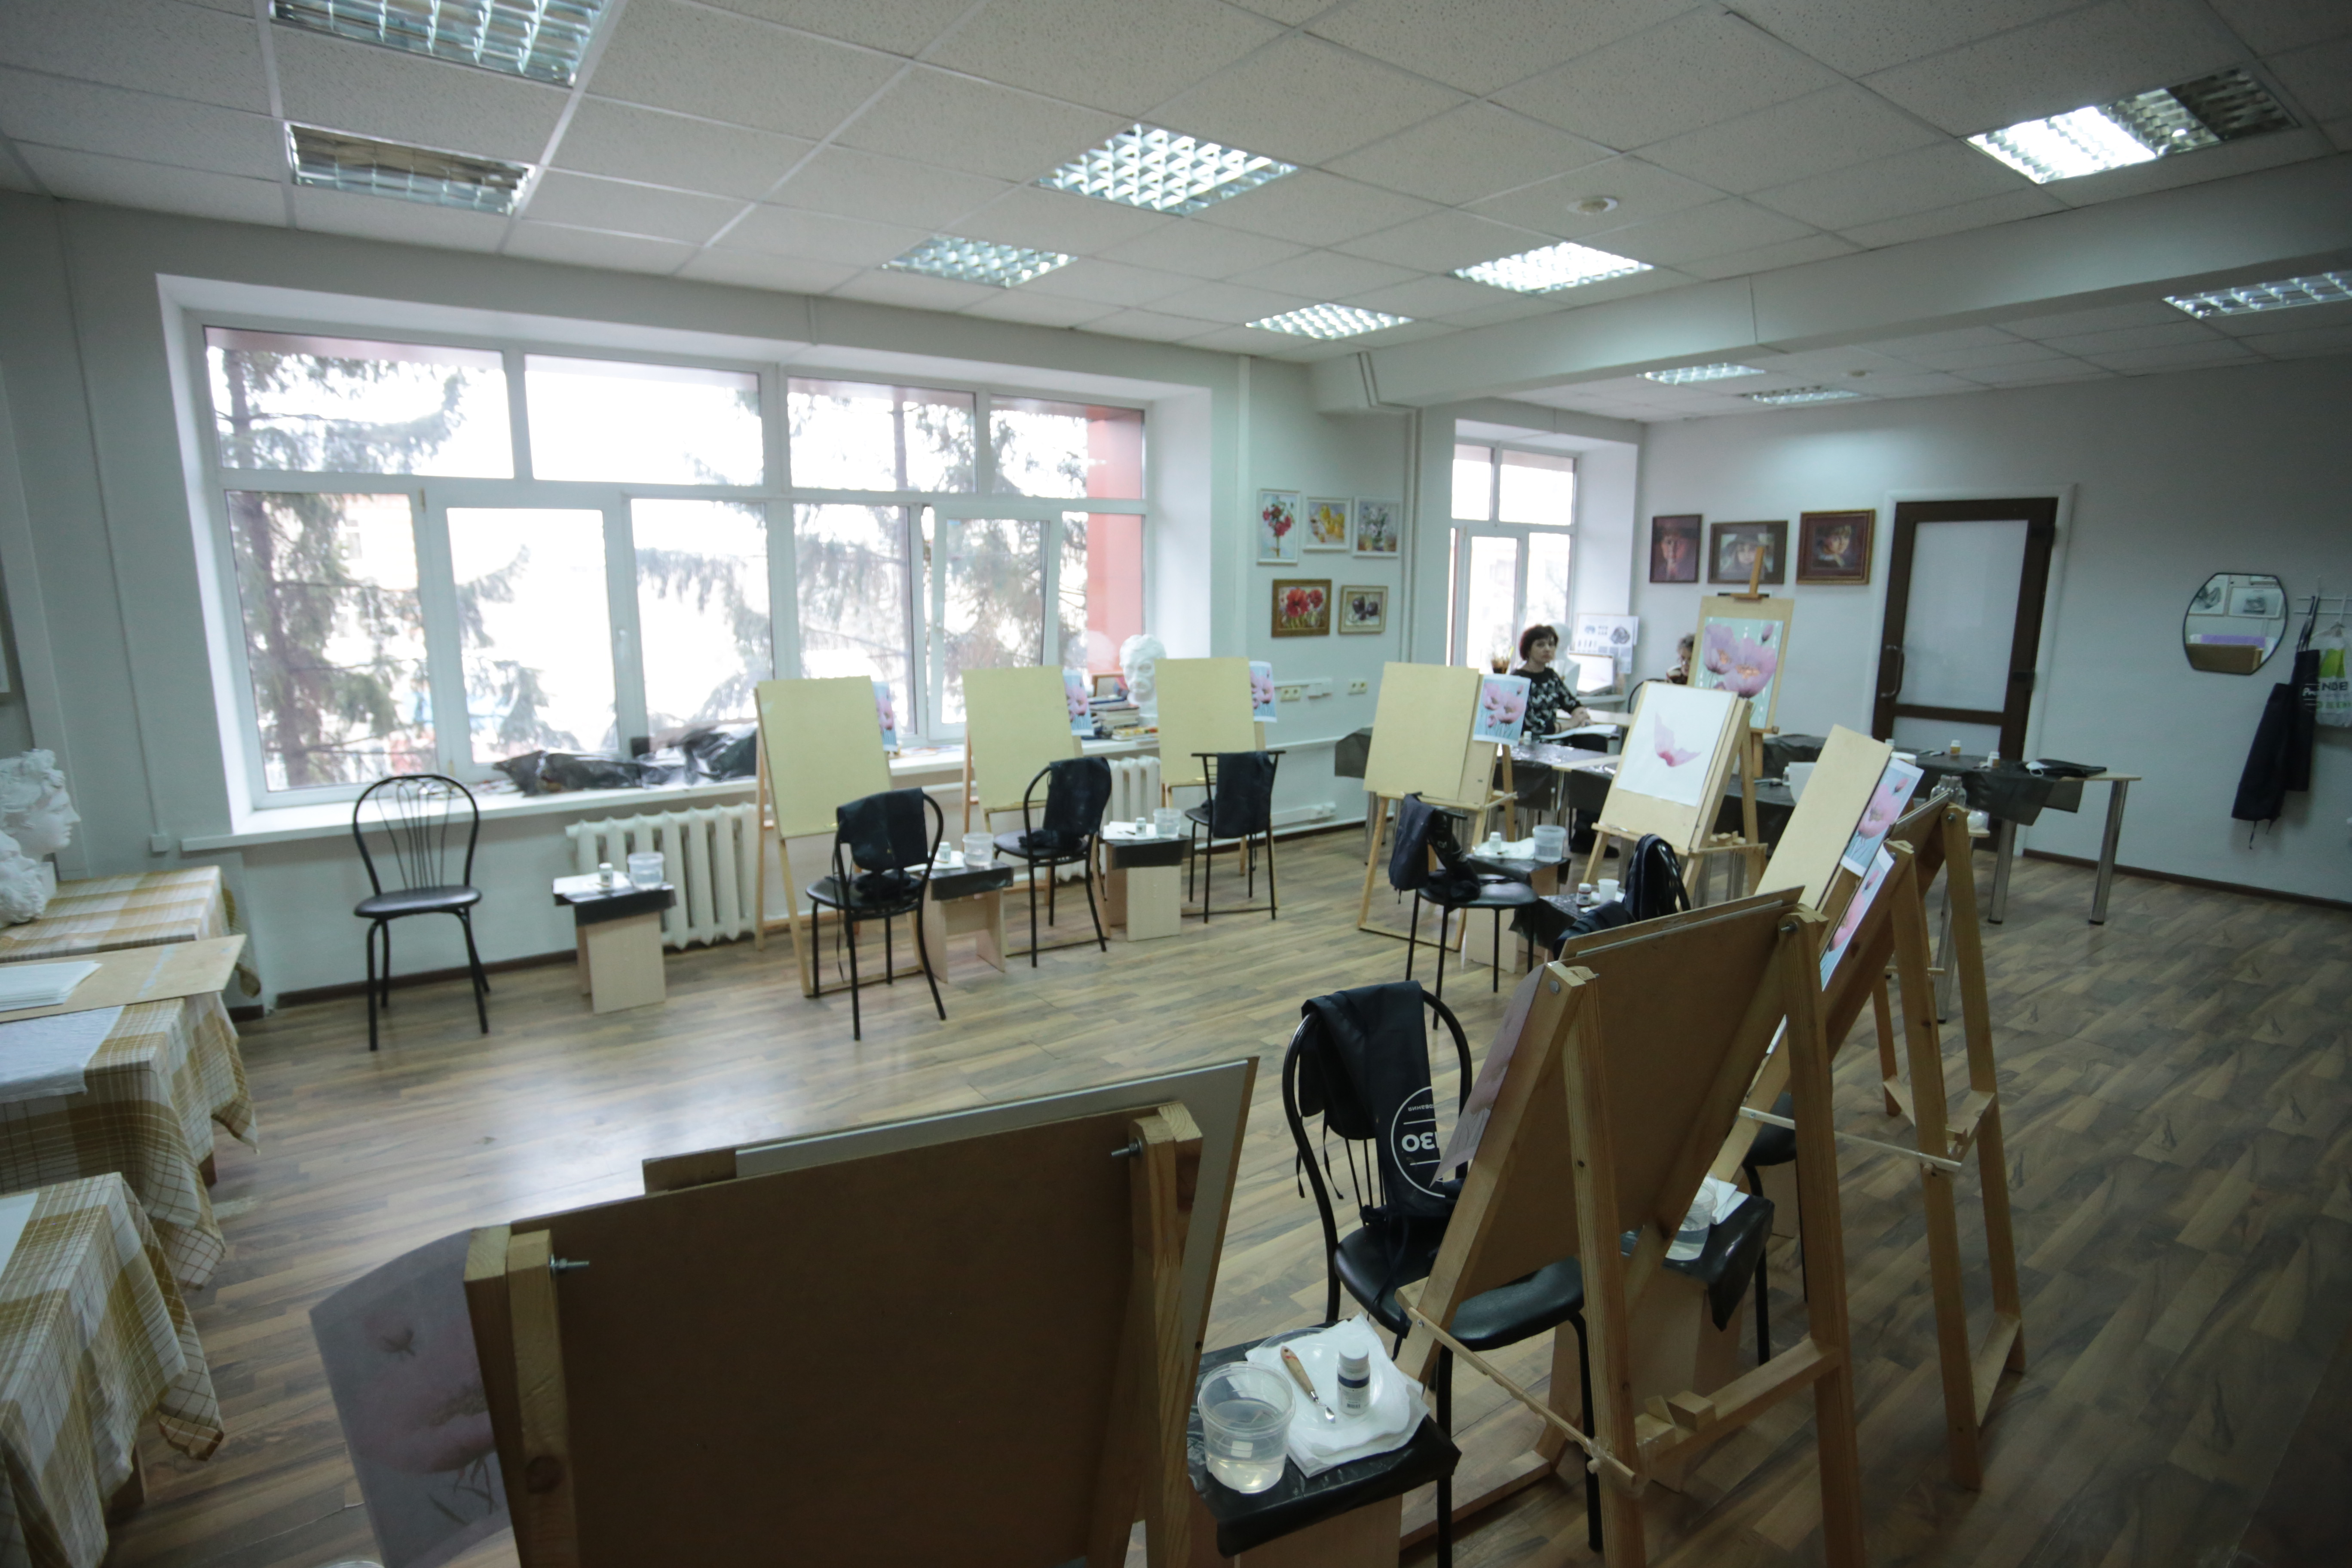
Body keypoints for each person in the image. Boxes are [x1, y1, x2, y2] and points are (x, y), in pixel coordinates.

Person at [1513, 625, 1589, 738]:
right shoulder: (1518, 679)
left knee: (1594, 739)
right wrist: (1570, 724)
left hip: (1553, 736)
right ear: (1528, 649)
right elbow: (1531, 724)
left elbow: (1572, 703)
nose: (1547, 649)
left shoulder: (1551, 676)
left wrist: (1583, 718)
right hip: (1531, 740)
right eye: (1541, 645)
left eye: (1551, 645)